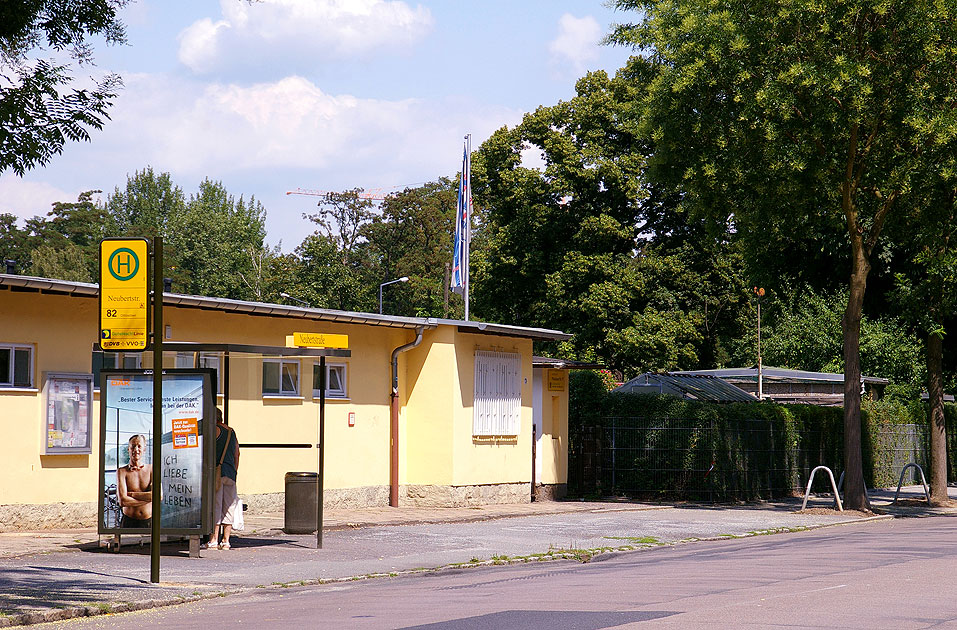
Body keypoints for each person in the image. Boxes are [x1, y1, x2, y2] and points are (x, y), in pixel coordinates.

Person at [210, 408, 240, 549]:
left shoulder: (213, 430)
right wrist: (235, 471)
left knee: (216, 505)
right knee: (229, 506)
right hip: (230, 473)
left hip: (217, 473)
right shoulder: (231, 431)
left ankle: (214, 539)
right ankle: (226, 540)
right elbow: (237, 454)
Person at [116, 434, 152, 528]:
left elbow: (158, 495)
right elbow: (123, 501)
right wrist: (149, 499)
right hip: (129, 521)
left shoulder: (151, 469)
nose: (136, 450)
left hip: (149, 522)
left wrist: (132, 494)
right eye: (133, 446)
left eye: (139, 446)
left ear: (144, 449)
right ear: (128, 449)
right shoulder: (122, 472)